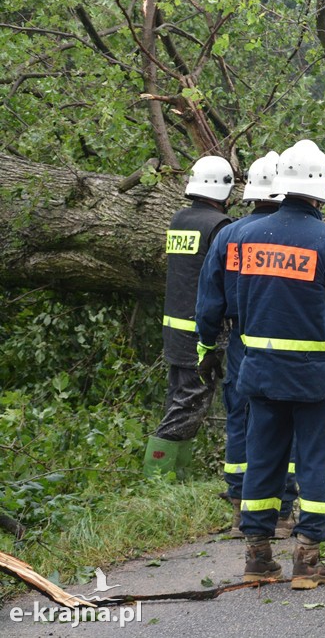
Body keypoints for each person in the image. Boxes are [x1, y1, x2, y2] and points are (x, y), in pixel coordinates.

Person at [233, 139, 325, 590]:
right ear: (323, 187)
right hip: (313, 376)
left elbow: (239, 301)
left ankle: (257, 556)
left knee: (262, 460)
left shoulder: (247, 237)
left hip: (260, 371)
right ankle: (307, 559)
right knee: (313, 462)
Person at [195, 151, 298, 539]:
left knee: (240, 419)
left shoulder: (229, 235)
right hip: (290, 341)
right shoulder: (296, 235)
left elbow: (209, 301)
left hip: (242, 340)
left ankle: (241, 511)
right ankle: (283, 513)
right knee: (285, 421)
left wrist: (207, 346)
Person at [144, 155, 234, 479]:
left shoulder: (179, 219)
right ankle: (157, 476)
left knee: (179, 399)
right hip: (199, 330)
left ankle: (175, 477)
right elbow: (225, 282)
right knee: (191, 402)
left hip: (174, 326)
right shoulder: (220, 227)